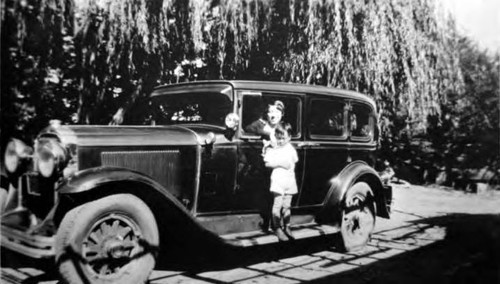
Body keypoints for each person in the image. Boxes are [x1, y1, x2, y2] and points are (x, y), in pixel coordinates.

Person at [263, 123, 298, 241]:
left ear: (289, 138)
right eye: (279, 138)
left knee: (287, 205)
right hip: (278, 180)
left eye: (283, 138)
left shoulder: (291, 149)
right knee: (277, 205)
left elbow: (294, 161)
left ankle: (287, 226)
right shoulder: (273, 149)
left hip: (289, 180)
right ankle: (277, 227)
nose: (281, 141)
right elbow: (267, 163)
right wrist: (280, 163)